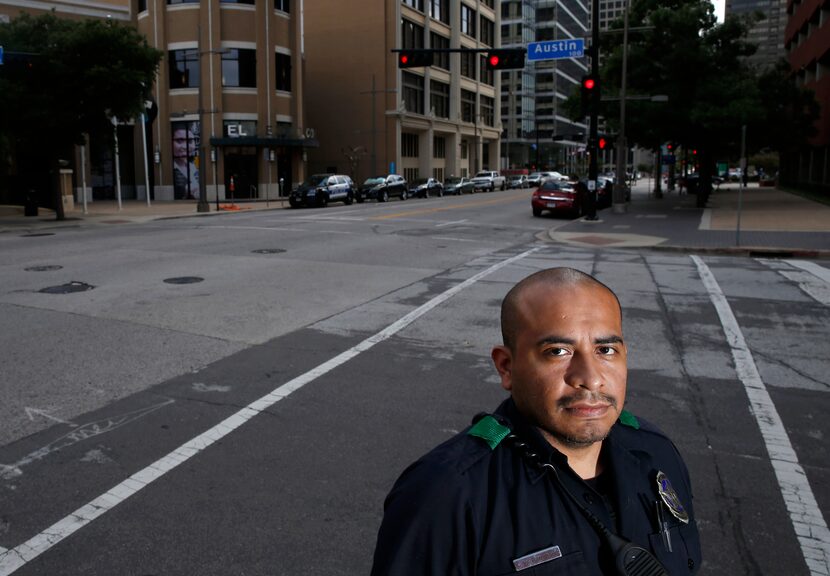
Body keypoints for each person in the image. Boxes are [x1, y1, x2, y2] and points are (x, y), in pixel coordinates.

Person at [371, 268, 701, 575]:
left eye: (605, 350)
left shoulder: (656, 454)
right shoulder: (447, 495)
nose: (591, 379)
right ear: (506, 367)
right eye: (558, 351)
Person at [172, 124, 200, 200]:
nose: (185, 146)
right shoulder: (172, 168)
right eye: (179, 141)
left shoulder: (194, 166)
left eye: (190, 141)